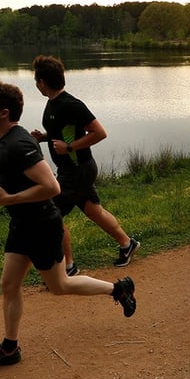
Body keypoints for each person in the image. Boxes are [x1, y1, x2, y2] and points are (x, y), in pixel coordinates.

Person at [0, 79, 137, 367]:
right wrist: (4, 187)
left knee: (60, 285)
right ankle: (10, 349)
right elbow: (25, 179)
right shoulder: (9, 140)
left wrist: (8, 199)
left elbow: (52, 187)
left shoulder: (19, 143)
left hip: (41, 226)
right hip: (23, 225)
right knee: (8, 284)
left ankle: (118, 289)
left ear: (4, 113)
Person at [30, 55, 140, 276]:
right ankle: (127, 244)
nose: (36, 84)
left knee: (52, 213)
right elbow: (65, 131)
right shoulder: (53, 104)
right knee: (95, 211)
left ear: (42, 82)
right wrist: (44, 137)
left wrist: (69, 148)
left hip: (77, 171)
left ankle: (68, 267)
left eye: (36, 80)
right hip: (75, 170)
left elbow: (99, 133)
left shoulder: (72, 105)